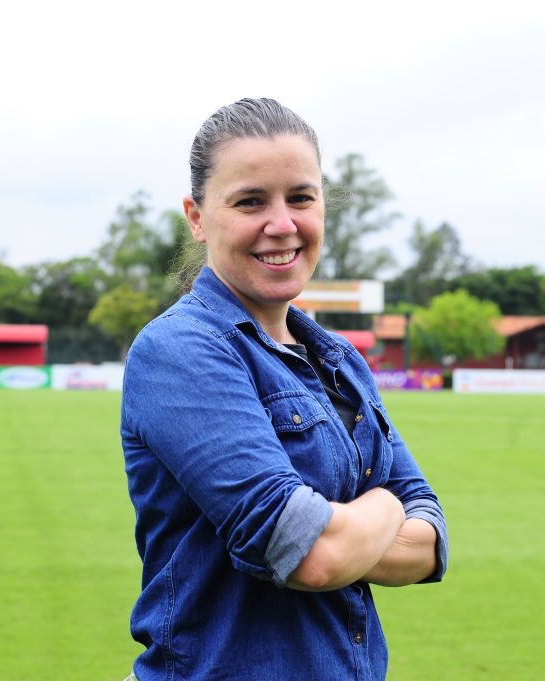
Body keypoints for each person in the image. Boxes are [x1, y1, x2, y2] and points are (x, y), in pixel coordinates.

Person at [120, 98, 448, 681]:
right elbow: (313, 556)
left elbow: (429, 545)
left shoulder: (341, 360)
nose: (282, 224)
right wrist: (384, 503)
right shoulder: (180, 351)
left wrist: (345, 530)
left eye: (300, 197)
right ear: (196, 217)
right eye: (250, 201)